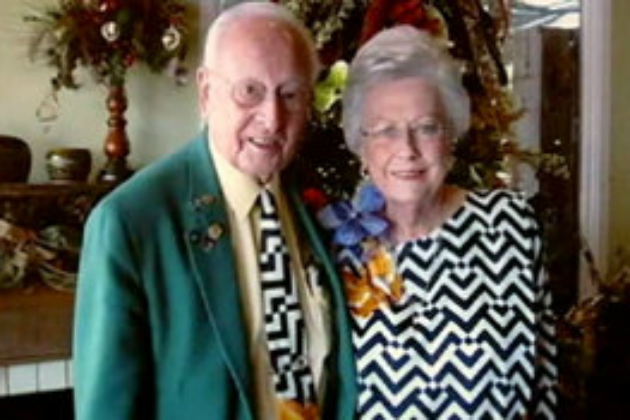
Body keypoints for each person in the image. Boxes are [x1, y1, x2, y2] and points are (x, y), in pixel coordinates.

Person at [73, 3, 357, 420]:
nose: (272, 118)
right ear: (206, 93)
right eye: (250, 91)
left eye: (290, 94)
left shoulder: (318, 202)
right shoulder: (131, 223)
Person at [318, 25, 557, 419]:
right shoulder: (335, 246)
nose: (407, 149)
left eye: (426, 128)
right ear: (361, 146)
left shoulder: (510, 224)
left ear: (451, 136)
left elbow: (544, 381)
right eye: (386, 131)